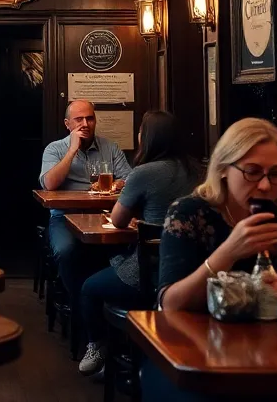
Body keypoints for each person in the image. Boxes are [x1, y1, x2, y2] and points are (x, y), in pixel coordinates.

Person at [158, 117, 277, 313]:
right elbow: (171, 304)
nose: (265, 186)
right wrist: (228, 253)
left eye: (275, 174)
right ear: (223, 169)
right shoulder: (189, 213)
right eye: (252, 172)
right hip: (207, 340)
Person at [77, 110, 200, 375]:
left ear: (150, 138)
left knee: (89, 287)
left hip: (152, 273)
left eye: (142, 130)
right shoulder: (200, 170)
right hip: (196, 274)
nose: (139, 134)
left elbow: (119, 221)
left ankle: (98, 347)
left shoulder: (144, 172)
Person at [39, 99, 132, 300]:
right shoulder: (54, 149)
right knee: (65, 251)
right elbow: (49, 184)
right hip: (65, 216)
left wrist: (118, 184)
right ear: (67, 124)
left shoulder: (110, 147)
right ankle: (79, 304)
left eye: (89, 118)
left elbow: (129, 178)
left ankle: (101, 299)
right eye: (78, 119)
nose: (85, 124)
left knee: (125, 246)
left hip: (103, 216)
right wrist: (72, 150)